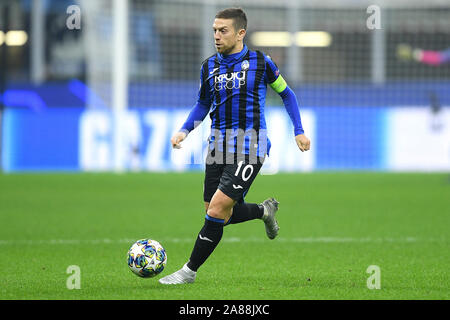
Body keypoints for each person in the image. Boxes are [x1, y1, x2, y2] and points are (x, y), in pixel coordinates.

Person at [159, 7, 310, 285]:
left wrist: (298, 131)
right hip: (217, 147)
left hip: (251, 147)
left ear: (241, 33)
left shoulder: (261, 62)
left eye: (223, 30)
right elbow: (203, 103)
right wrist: (184, 130)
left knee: (216, 210)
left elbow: (287, 94)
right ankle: (264, 211)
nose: (216, 35)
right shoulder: (208, 66)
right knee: (219, 215)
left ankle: (188, 271)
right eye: (214, 30)